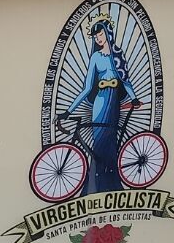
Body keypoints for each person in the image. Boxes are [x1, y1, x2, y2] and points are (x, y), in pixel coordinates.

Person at [59, 18, 140, 194]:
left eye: (100, 34)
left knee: (111, 142)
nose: (98, 38)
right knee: (99, 143)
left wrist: (134, 98)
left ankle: (112, 184)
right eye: (95, 36)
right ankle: (96, 186)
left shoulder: (117, 54)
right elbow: (87, 88)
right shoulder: (95, 57)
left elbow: (125, 80)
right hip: (100, 102)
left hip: (114, 102)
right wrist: (68, 111)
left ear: (108, 33)